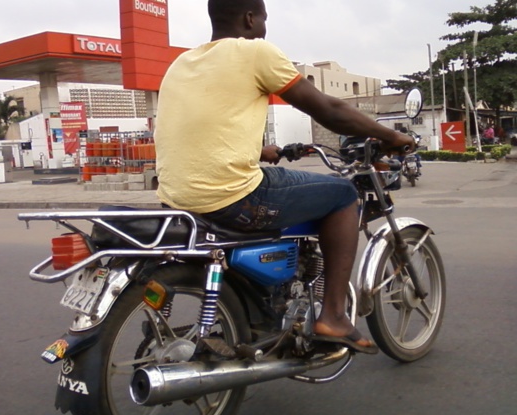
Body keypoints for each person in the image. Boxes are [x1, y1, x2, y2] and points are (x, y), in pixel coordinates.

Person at [154, 0, 414, 354]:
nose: (264, 27)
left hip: (177, 197)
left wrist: (260, 151)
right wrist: (392, 136)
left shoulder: (183, 62)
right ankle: (334, 316)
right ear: (249, 18)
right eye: (263, 19)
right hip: (231, 197)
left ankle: (264, 304)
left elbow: (198, 128)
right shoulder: (255, 52)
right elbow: (330, 109)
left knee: (280, 180)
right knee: (341, 194)